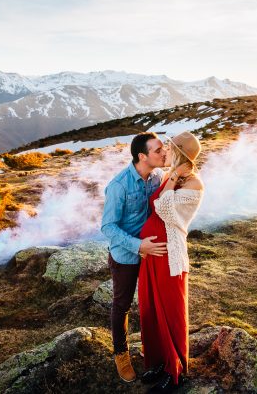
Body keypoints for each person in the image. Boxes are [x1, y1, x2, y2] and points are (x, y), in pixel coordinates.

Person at [138, 131, 204, 393]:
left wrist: (175, 175)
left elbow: (164, 209)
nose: (167, 150)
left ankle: (174, 369)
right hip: (153, 252)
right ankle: (156, 360)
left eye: (171, 147)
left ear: (181, 153)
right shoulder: (170, 176)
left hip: (170, 255)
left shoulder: (193, 183)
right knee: (152, 307)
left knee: (171, 311)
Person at [101, 132, 169, 383]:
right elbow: (107, 227)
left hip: (152, 253)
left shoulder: (158, 176)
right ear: (142, 156)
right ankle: (121, 353)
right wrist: (139, 246)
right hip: (126, 255)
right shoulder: (119, 186)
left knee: (152, 302)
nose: (164, 154)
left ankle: (153, 347)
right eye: (158, 150)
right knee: (122, 305)